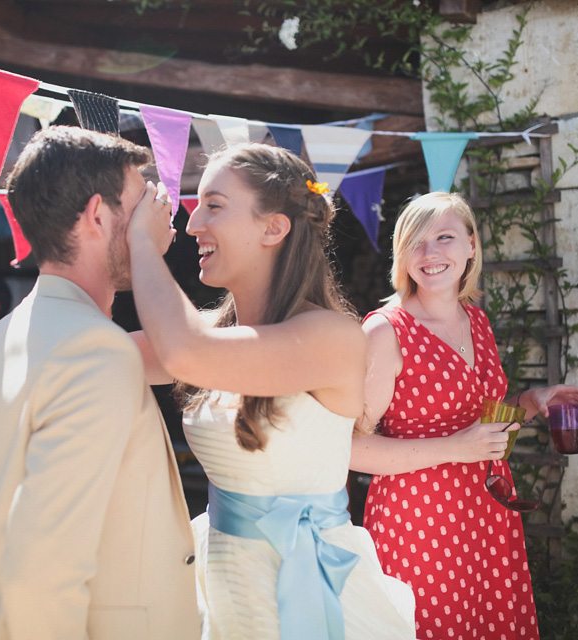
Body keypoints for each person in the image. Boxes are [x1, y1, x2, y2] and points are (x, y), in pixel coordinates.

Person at [126, 143, 417, 640]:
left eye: (213, 206)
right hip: (222, 585)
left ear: (273, 228)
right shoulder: (212, 335)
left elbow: (182, 353)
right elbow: (101, 356)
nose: (193, 225)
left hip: (309, 588)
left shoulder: (333, 337)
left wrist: (140, 245)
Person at [0, 126, 200, 640]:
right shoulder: (100, 349)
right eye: (142, 206)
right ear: (98, 215)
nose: (161, 219)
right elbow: (41, 566)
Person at [349, 191, 578, 640]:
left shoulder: (476, 320)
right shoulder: (385, 330)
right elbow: (350, 448)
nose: (431, 253)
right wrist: (454, 448)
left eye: (444, 237)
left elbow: (485, 430)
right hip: (420, 521)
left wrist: (531, 402)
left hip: (486, 512)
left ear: (471, 246)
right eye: (416, 242)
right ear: (401, 255)